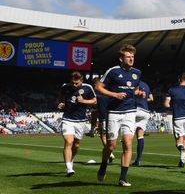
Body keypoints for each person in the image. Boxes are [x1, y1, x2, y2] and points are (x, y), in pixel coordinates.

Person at [94, 44, 144, 187]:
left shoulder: (137, 73)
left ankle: (123, 178)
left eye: (133, 56)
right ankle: (103, 165)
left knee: (128, 144)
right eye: (128, 56)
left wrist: (139, 93)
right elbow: (98, 88)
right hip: (114, 113)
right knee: (111, 146)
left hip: (130, 111)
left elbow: (135, 88)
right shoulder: (113, 71)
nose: (131, 58)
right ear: (121, 58)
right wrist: (114, 94)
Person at [58, 70, 97, 176]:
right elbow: (61, 98)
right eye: (73, 83)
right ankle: (69, 167)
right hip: (67, 119)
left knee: (76, 144)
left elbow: (94, 100)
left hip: (81, 121)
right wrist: (61, 104)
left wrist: (83, 101)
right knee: (69, 142)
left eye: (77, 83)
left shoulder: (88, 87)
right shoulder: (65, 87)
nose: (74, 85)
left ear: (81, 81)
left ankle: (71, 160)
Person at [164, 72, 185, 168]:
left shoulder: (171, 90)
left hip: (178, 117)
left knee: (178, 142)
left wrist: (173, 105)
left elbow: (166, 104)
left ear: (179, 79)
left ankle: (182, 150)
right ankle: (182, 161)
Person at [132, 79, 153, 166]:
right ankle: (138, 160)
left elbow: (134, 94)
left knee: (127, 135)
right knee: (140, 136)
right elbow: (151, 99)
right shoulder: (146, 85)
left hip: (136, 110)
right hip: (145, 111)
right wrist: (144, 100)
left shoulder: (134, 83)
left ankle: (126, 158)